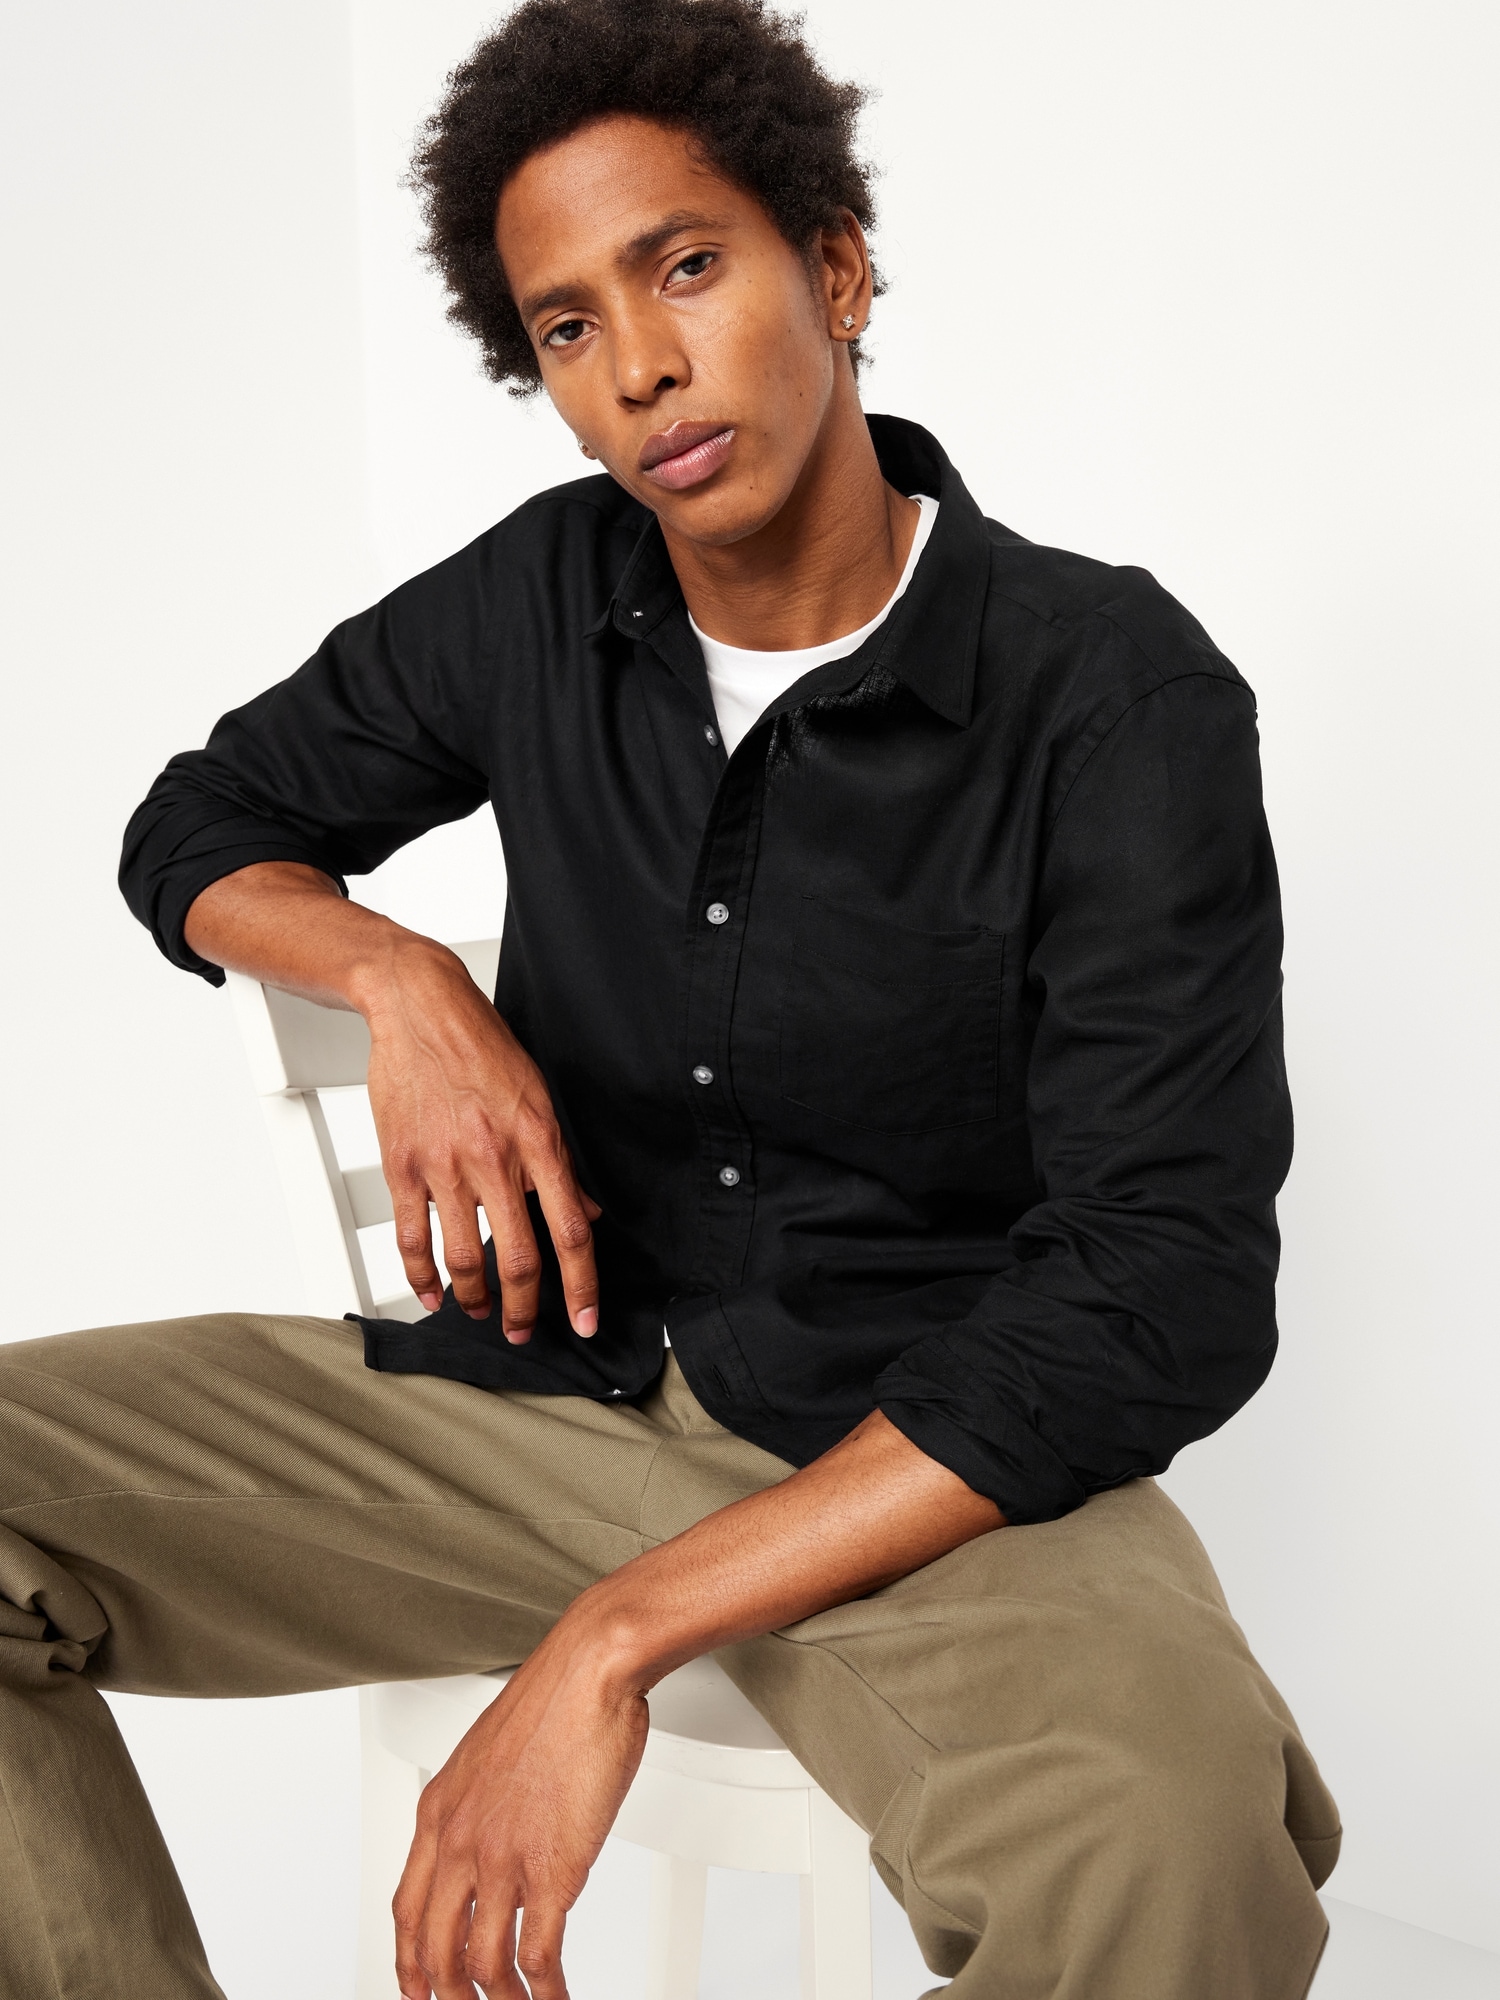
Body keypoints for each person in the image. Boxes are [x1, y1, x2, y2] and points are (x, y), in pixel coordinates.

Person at [0, 1, 1341, 1995]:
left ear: (838, 267)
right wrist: (399, 980)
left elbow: (1170, 1281)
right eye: (566, 324)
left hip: (922, 1466)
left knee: (1174, 1846)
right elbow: (199, 823)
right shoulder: (545, 596)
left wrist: (613, 1636)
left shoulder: (1111, 695)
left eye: (687, 265)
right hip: (546, 1398)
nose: (637, 366)